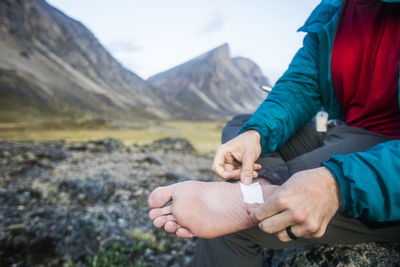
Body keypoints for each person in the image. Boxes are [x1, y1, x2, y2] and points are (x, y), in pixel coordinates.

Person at [148, 0, 400, 266]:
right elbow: (300, 84)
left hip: (385, 152)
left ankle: (253, 199)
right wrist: (256, 134)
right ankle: (263, 189)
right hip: (342, 129)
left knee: (230, 229)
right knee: (241, 127)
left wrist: (336, 184)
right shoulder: (336, 10)